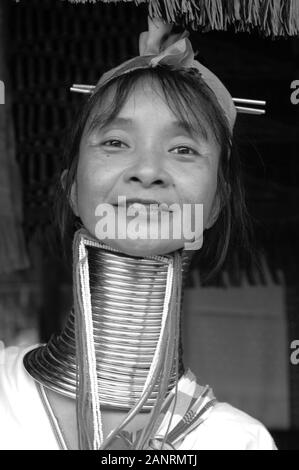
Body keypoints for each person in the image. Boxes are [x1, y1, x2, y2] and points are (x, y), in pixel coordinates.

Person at [0, 16, 277, 450]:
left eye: (183, 149)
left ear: (216, 204)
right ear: (72, 189)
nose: (147, 172)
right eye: (115, 142)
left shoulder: (237, 441)